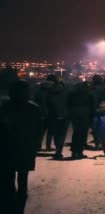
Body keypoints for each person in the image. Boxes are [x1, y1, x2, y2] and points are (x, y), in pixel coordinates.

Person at [3, 80, 43, 214]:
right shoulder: (33, 108)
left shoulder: (5, 107)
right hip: (24, 147)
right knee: (22, 175)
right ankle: (19, 200)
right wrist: (36, 144)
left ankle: (11, 200)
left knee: (9, 175)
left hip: (8, 147)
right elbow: (39, 129)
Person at [67, 82, 96, 159]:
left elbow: (68, 104)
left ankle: (73, 152)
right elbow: (92, 105)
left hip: (75, 114)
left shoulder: (72, 94)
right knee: (83, 134)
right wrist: (92, 116)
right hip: (85, 114)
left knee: (76, 133)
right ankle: (80, 152)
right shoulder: (88, 94)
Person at [47, 81, 69, 160]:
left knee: (58, 135)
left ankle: (58, 151)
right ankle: (58, 151)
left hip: (57, 118)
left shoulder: (50, 95)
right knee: (60, 135)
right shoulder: (66, 95)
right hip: (61, 117)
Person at [33, 75, 55, 151]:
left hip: (41, 114)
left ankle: (38, 146)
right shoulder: (52, 91)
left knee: (41, 132)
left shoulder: (38, 91)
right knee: (50, 131)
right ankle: (48, 146)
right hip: (49, 114)